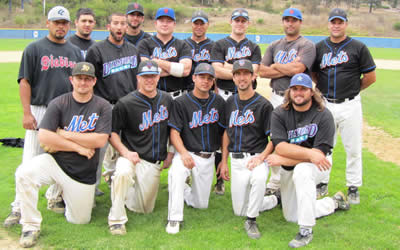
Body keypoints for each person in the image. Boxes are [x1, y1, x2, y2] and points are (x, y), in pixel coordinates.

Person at [12, 62, 112, 248]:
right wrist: (79, 148)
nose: (83, 82)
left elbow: (99, 140)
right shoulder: (59, 102)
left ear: (94, 81)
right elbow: (44, 136)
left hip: (82, 173)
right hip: (55, 163)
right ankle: (30, 226)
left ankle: (66, 197)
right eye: (79, 78)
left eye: (87, 79)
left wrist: (63, 134)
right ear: (71, 80)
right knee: (24, 173)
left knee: (80, 220)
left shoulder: (103, 106)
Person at [3, 5, 83, 228]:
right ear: (47, 23)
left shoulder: (75, 52)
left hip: (66, 111)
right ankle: (18, 208)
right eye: (56, 22)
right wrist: (27, 112)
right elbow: (25, 81)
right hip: (40, 109)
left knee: (65, 157)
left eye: (64, 22)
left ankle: (55, 197)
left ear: (69, 25)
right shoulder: (34, 48)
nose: (60, 26)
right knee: (30, 160)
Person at [265, 73, 350, 248]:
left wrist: (285, 158)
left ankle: (306, 231)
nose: (298, 93)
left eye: (303, 89)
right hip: (293, 165)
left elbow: (318, 155)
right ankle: (334, 202)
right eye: (295, 89)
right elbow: (280, 146)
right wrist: (307, 154)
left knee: (303, 171)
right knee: (291, 216)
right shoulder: (280, 113)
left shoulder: (324, 115)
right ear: (289, 92)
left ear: (312, 92)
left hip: (319, 166)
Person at [312, 8, 376, 203]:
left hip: (350, 104)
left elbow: (370, 77)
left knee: (353, 147)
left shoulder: (358, 47)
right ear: (329, 24)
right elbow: (314, 74)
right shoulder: (320, 47)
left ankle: (353, 186)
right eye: (333, 22)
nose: (336, 25)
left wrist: (352, 91)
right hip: (325, 104)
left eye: (340, 22)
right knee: (324, 145)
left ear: (346, 24)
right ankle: (321, 183)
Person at [107, 60, 173, 235]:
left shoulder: (167, 99)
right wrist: (125, 152)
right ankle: (116, 219)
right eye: (145, 77)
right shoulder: (125, 103)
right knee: (122, 173)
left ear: (158, 77)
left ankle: (124, 190)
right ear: (138, 78)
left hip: (152, 161)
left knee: (143, 209)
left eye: (152, 76)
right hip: (130, 156)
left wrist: (170, 153)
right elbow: (112, 133)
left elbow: (174, 129)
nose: (149, 80)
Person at [258, 7, 316, 197]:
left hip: (298, 98)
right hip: (277, 96)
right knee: (276, 139)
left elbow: (299, 68)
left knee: (297, 138)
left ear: (300, 22)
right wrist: (286, 69)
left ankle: (296, 181)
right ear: (283, 22)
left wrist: (276, 65)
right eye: (287, 20)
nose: (290, 23)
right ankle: (276, 182)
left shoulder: (306, 45)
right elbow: (262, 71)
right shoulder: (275, 45)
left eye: (294, 20)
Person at [166, 63, 226, 234]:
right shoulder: (181, 102)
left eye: (209, 78)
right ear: (193, 78)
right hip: (187, 152)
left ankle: (182, 190)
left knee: (201, 205)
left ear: (213, 81)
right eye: (201, 77)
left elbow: (224, 133)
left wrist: (222, 160)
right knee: (176, 173)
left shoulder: (219, 102)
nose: (205, 81)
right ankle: (174, 218)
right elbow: (174, 133)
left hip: (208, 156)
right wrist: (183, 154)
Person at [218, 59, 274, 239]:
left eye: (245, 73)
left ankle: (252, 221)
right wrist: (224, 162)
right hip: (236, 160)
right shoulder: (230, 103)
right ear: (233, 78)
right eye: (238, 74)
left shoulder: (264, 105)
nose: (242, 78)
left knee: (258, 179)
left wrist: (261, 158)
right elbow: (226, 132)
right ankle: (274, 199)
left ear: (252, 76)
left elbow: (273, 139)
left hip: (256, 156)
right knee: (239, 210)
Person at [86, 13, 141, 188]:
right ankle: (91, 190)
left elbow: (137, 79)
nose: (119, 27)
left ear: (127, 27)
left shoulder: (133, 50)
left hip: (128, 106)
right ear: (108, 26)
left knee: (128, 145)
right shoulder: (96, 50)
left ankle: (125, 184)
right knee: (99, 150)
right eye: (115, 23)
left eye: (123, 24)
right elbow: (89, 82)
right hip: (105, 106)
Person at [184, 10, 224, 195]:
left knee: (214, 134)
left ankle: (219, 179)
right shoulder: (184, 44)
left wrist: (214, 92)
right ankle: (186, 173)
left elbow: (215, 70)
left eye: (202, 23)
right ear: (191, 24)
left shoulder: (213, 45)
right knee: (188, 132)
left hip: (209, 94)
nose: (199, 26)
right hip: (188, 94)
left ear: (207, 25)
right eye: (196, 23)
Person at [138, 7, 193, 98]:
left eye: (168, 21)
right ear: (155, 23)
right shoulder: (144, 43)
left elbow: (185, 70)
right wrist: (175, 69)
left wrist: (158, 62)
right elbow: (146, 71)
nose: (165, 24)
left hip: (176, 97)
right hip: (151, 96)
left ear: (174, 24)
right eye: (161, 21)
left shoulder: (183, 45)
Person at [211, 8, 261, 101]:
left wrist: (227, 66)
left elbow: (252, 73)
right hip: (224, 95)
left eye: (243, 21)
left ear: (248, 23)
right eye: (237, 20)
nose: (240, 24)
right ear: (231, 22)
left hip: (248, 95)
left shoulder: (254, 47)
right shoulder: (219, 44)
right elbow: (217, 72)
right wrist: (244, 72)